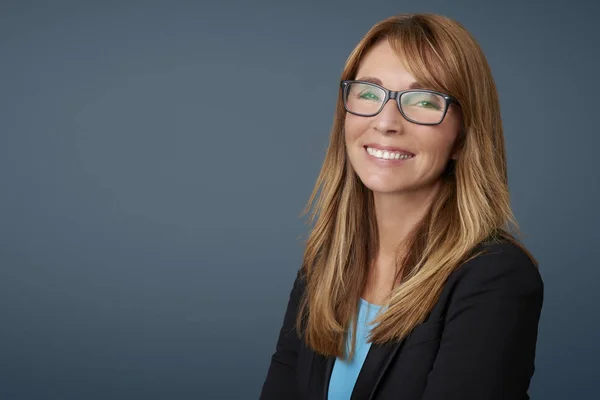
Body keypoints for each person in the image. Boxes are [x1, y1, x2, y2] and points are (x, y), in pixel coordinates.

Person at [259, 13, 544, 400]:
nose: (386, 121)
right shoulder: (324, 266)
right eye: (370, 94)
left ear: (463, 137)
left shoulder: (495, 279)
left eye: (425, 100)